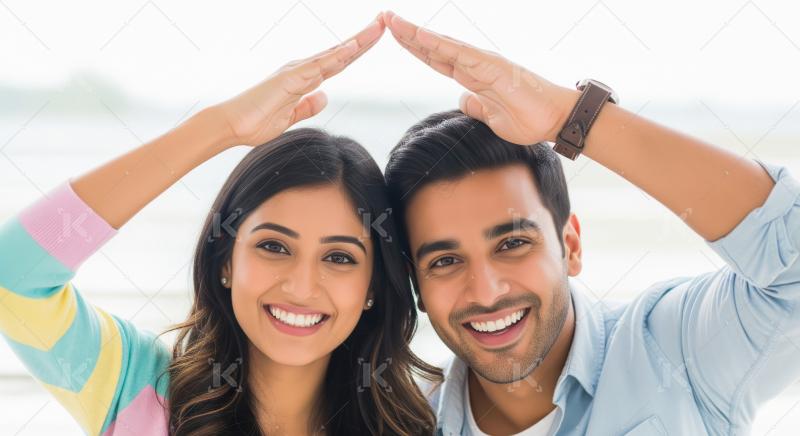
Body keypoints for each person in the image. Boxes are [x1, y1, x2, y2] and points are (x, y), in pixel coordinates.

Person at [0, 16, 441, 435]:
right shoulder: (137, 388)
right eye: (274, 246)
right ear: (225, 260)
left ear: (372, 288)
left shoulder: (417, 425)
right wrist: (220, 128)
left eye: (340, 257)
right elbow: (14, 275)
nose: (302, 286)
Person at [381, 11, 800, 436]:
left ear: (571, 246)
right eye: (446, 260)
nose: (487, 291)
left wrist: (570, 116)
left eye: (511, 244)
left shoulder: (678, 352)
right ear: (418, 285)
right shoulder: (401, 424)